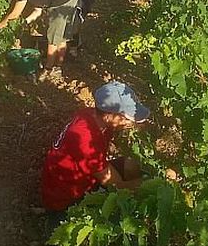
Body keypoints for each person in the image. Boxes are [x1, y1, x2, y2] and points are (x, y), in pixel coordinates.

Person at [40, 81, 150, 228]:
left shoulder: (90, 115)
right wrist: (156, 185)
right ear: (109, 116)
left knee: (130, 165)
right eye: (125, 118)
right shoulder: (86, 140)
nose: (129, 123)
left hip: (83, 178)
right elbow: (117, 185)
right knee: (118, 211)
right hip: (66, 199)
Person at [0, 0, 78, 81]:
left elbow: (15, 13)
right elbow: (38, 11)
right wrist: (25, 22)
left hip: (61, 2)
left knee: (53, 38)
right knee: (62, 36)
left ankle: (48, 69)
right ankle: (57, 67)